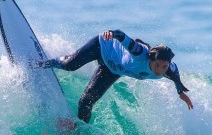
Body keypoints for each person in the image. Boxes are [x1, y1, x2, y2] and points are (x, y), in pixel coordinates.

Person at [40, 29, 193, 123]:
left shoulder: (168, 69)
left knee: (86, 101)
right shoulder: (139, 53)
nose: (159, 70)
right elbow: (121, 35)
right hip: (102, 46)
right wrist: (111, 34)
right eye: (157, 65)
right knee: (70, 65)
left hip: (112, 69)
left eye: (164, 66)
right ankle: (42, 63)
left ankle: (78, 128)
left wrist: (180, 92)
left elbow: (175, 74)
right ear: (151, 59)